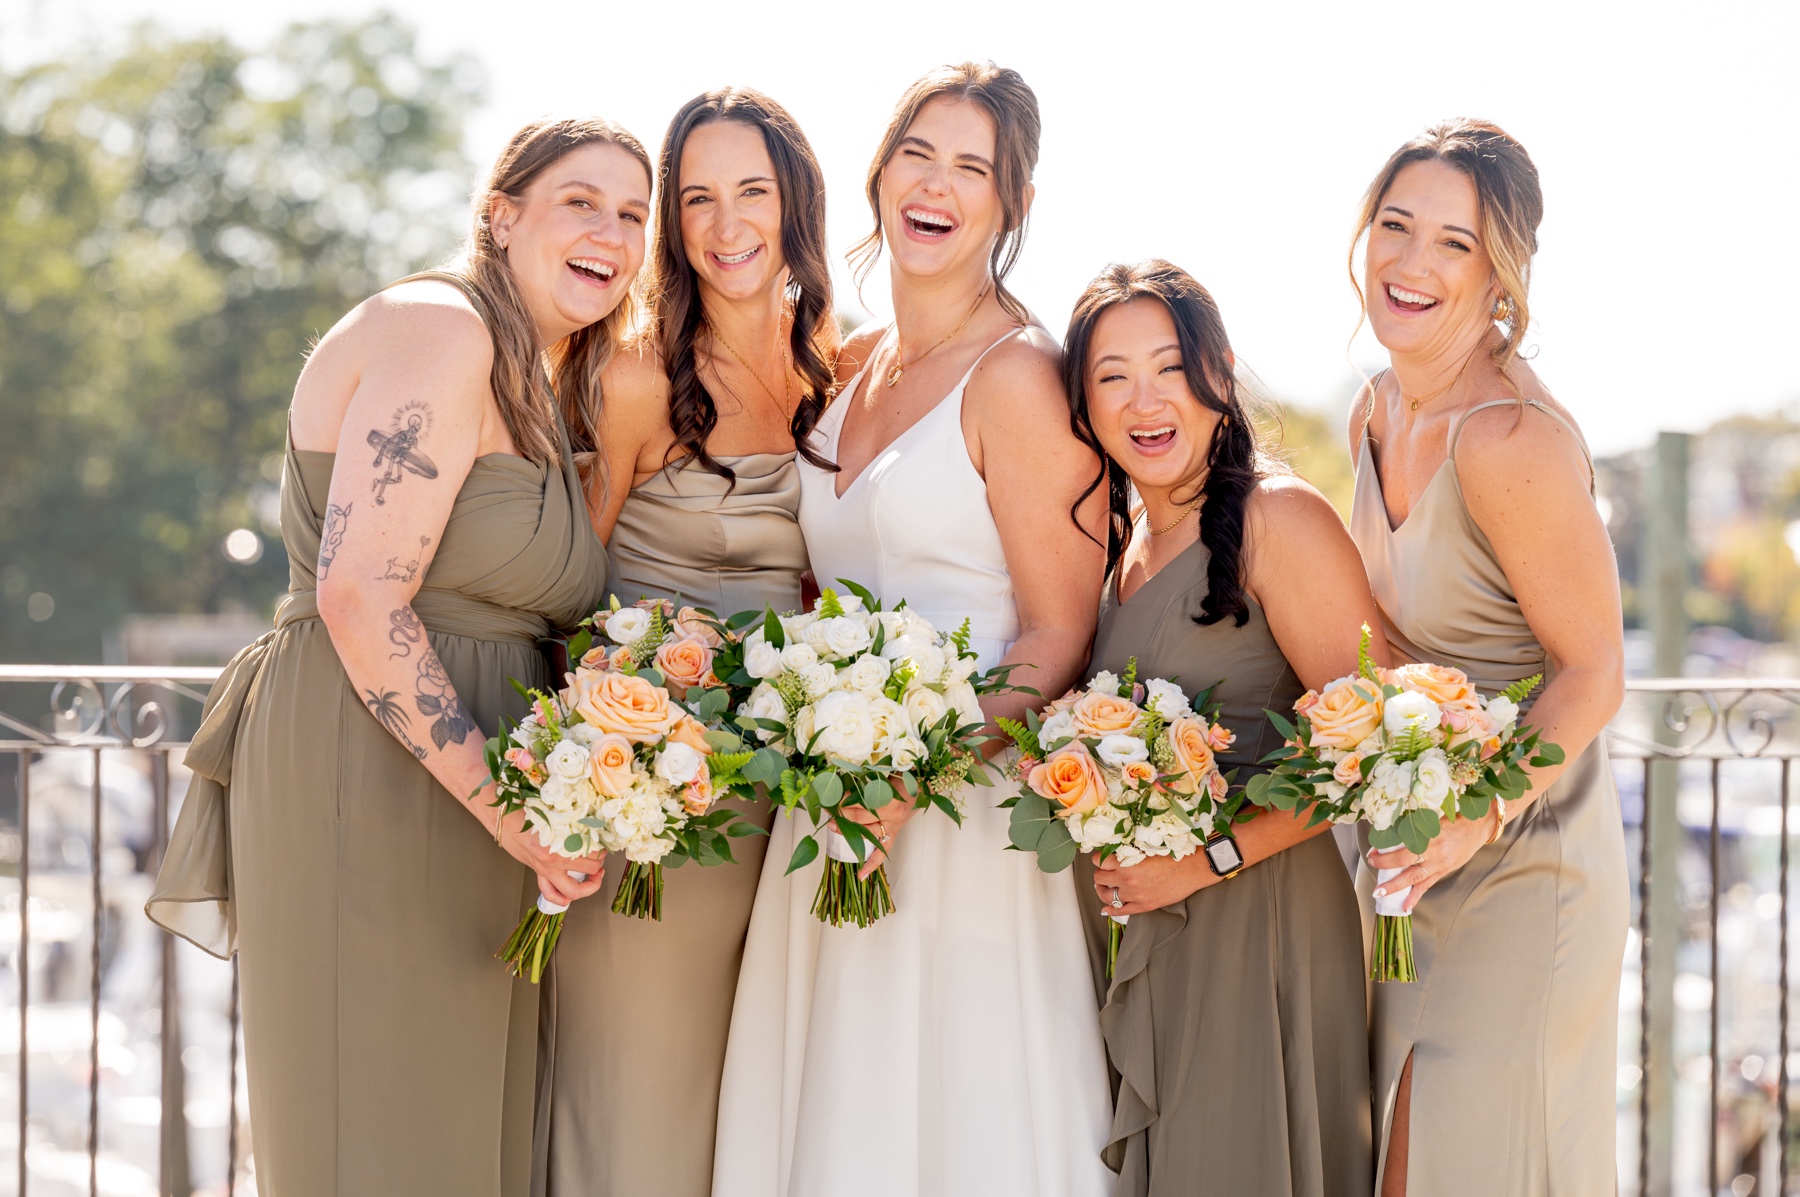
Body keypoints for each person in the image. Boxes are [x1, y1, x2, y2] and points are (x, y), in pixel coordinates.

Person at [146, 116, 652, 1195]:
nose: (611, 231)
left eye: (632, 214)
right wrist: (510, 809)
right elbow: (359, 596)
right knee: (375, 1131)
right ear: (501, 214)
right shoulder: (442, 329)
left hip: (479, 797)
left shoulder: (540, 381)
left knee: (457, 1134)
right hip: (370, 772)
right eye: (580, 200)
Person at [712, 62, 1114, 1197]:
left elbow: (1053, 633)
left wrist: (911, 772)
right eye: (917, 155)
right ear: (880, 173)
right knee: (834, 1105)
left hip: (961, 815)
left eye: (972, 168)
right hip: (826, 803)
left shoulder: (1021, 379)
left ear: (1012, 204)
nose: (936, 186)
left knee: (953, 1118)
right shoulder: (841, 366)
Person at [534, 88, 833, 1197]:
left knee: (746, 1113)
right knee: (641, 1096)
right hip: (653, 797)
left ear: (793, 204)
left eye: (751, 190)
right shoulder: (634, 373)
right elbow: (569, 587)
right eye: (697, 197)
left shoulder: (837, 376)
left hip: (786, 806)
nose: (724, 222)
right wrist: (614, 743)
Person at [1343, 119, 1629, 1195]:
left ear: (1502, 273)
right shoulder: (1378, 405)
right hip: (1419, 854)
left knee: (1470, 1158)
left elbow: (1594, 670)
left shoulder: (1509, 438)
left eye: (1454, 245)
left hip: (1524, 856)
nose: (1412, 264)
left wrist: (1476, 815)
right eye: (1396, 226)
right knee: (1403, 1159)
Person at [1064, 260, 1376, 1197]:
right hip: (1156, 922)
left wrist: (1206, 865)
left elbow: (1370, 752)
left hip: (1261, 917)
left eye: (1170, 368)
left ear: (1220, 374)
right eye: (1112, 376)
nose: (1144, 400)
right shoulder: (1121, 549)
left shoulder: (1278, 518)